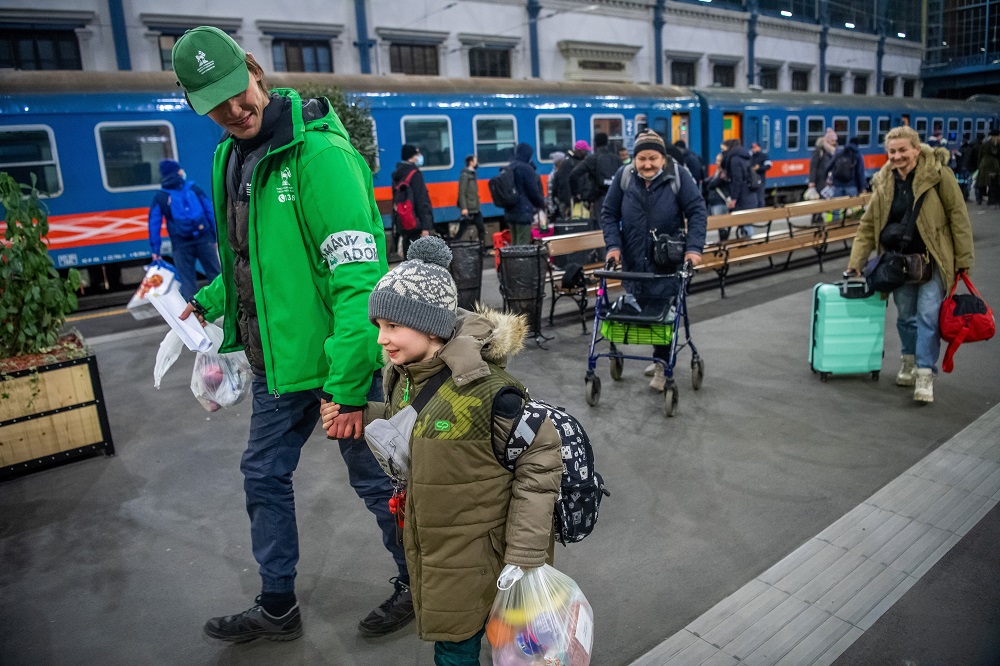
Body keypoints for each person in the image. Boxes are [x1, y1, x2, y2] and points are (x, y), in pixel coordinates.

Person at [170, 26, 412, 642]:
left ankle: (422, 582)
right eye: (216, 103)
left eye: (239, 90)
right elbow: (251, 260)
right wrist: (207, 302)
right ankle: (278, 605)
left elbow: (358, 282)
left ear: (256, 72)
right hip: (276, 366)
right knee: (262, 474)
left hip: (340, 366)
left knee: (377, 480)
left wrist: (351, 389)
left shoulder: (321, 157)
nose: (236, 109)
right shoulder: (231, 157)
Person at [321, 236, 562, 666]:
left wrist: (525, 554)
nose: (381, 339)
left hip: (481, 553)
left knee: (466, 650)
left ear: (431, 326)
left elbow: (540, 462)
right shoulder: (404, 376)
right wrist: (363, 415)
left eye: (392, 326)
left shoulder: (487, 391)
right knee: (466, 642)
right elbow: (419, 424)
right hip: (436, 548)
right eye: (378, 327)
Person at [846, 125, 974, 403]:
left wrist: (963, 260)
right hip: (899, 263)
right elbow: (868, 225)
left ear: (917, 149)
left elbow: (958, 217)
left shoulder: (939, 176)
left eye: (903, 150)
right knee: (906, 317)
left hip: (934, 260)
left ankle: (925, 374)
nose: (897, 156)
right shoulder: (884, 181)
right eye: (891, 151)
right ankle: (909, 360)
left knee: (928, 316)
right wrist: (857, 259)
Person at [601, 131, 707, 391]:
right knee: (645, 310)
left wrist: (693, 249)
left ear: (663, 158)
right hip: (635, 260)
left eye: (653, 158)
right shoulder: (624, 176)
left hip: (667, 261)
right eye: (642, 159)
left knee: (665, 313)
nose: (647, 164)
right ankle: (659, 357)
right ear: (634, 160)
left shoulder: (679, 176)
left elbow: (697, 211)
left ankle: (661, 365)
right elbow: (609, 212)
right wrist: (614, 246)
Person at [147, 159, 221, 302]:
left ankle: (194, 315)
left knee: (188, 281)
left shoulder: (161, 196)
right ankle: (225, 306)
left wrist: (156, 250)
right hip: (204, 239)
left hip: (180, 244)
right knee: (215, 275)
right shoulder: (194, 189)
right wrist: (215, 236)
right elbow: (210, 212)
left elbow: (154, 224)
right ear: (178, 172)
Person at [572, 131, 622, 223]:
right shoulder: (617, 159)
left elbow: (574, 174)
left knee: (602, 227)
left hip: (599, 197)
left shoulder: (592, 159)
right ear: (607, 143)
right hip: (617, 197)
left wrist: (577, 193)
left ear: (595, 143)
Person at [393, 144, 434, 255]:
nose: (419, 156)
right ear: (411, 156)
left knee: (409, 257)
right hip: (416, 223)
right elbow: (421, 201)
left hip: (403, 221)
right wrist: (425, 226)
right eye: (417, 154)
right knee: (420, 258)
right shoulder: (415, 175)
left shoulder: (397, 174)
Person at [504, 142, 546, 245]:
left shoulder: (509, 167)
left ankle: (511, 261)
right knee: (522, 244)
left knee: (514, 241)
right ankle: (519, 261)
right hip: (523, 212)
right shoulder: (526, 168)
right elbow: (533, 192)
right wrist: (542, 204)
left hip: (510, 211)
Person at [720, 138, 757, 237]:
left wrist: (734, 198)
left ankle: (748, 247)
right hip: (749, 195)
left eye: (723, 150)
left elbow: (737, 180)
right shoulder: (744, 157)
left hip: (742, 197)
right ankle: (748, 244)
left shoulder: (734, 159)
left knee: (745, 224)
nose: (722, 154)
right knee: (747, 224)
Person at [456, 154, 486, 249]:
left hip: (475, 208)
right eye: (475, 161)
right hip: (469, 208)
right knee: (462, 229)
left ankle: (482, 249)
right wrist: (464, 208)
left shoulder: (472, 174)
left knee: (481, 228)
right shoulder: (465, 175)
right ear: (471, 162)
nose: (477, 162)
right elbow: (462, 193)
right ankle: (453, 246)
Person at [556, 139, 590, 218]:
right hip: (571, 202)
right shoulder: (568, 164)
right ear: (579, 151)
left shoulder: (568, 163)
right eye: (585, 150)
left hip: (581, 201)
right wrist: (569, 201)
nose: (587, 153)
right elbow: (564, 183)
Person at [809, 128, 838, 195]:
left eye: (835, 140)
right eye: (832, 141)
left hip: (830, 181)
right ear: (827, 141)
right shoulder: (819, 151)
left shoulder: (833, 152)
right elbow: (813, 166)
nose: (835, 143)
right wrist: (812, 181)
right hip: (821, 181)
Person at [976, 129, 1000, 206]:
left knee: (981, 182)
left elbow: (980, 155)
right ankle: (992, 199)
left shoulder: (984, 143)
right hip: (993, 165)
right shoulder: (996, 144)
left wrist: (979, 164)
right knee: (993, 183)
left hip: (983, 164)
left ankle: (979, 198)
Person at [749, 142, 772, 208]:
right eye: (753, 148)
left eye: (755, 147)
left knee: (760, 198)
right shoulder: (750, 156)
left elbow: (768, 166)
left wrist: (759, 168)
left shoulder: (763, 156)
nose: (754, 149)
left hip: (760, 180)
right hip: (752, 180)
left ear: (759, 148)